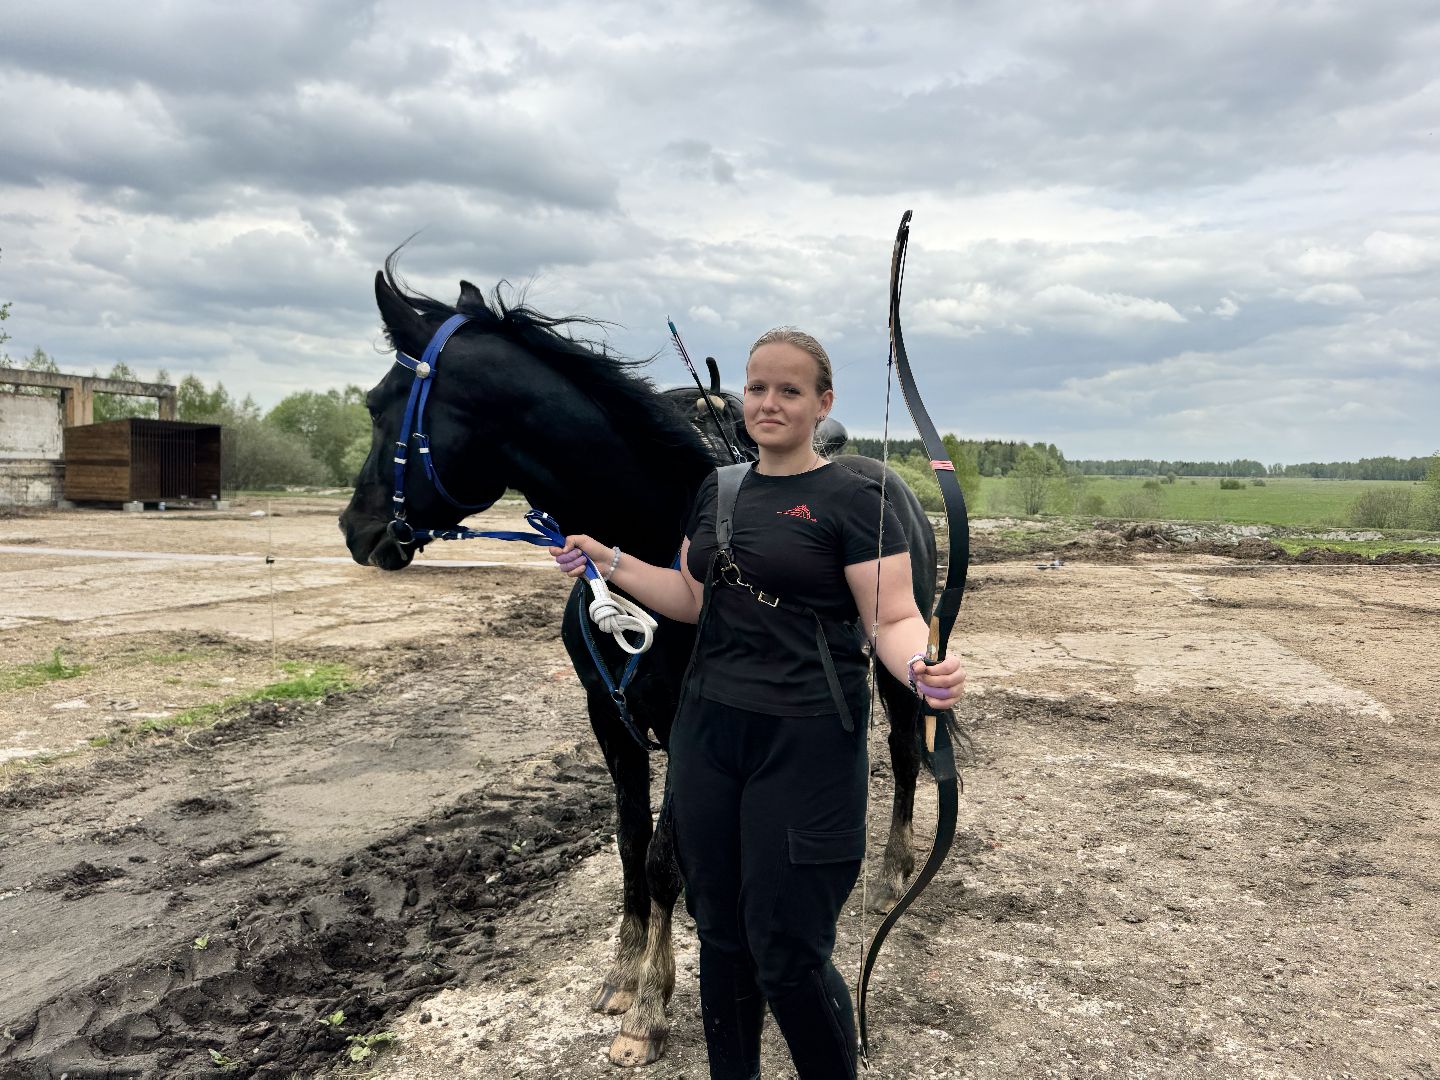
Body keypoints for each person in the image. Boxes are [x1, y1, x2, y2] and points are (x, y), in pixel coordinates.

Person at [551, 327, 965, 1079]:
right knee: (722, 940)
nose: (768, 403)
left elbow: (892, 617)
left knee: (788, 953)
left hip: (806, 743)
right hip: (709, 739)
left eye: (789, 390)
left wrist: (918, 664)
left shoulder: (856, 494)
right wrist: (605, 559)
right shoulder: (720, 490)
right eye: (757, 388)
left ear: (822, 404)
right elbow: (690, 596)